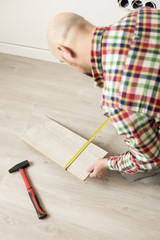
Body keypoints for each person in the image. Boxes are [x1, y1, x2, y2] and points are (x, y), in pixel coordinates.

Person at [47, 7, 160, 181]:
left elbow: (148, 159)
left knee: (135, 173)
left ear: (65, 51)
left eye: (63, 62)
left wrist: (107, 163)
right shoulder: (144, 14)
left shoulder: (117, 101)